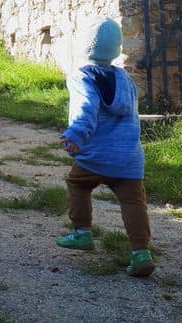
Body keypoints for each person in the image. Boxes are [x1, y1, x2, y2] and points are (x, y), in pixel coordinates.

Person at [56, 17, 155, 277]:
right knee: (134, 202)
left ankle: (81, 233)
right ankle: (141, 253)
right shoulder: (125, 79)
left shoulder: (82, 77)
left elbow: (86, 107)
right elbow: (131, 114)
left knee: (77, 184)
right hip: (128, 158)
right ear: (116, 48)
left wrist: (76, 134)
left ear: (85, 46)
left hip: (95, 156)